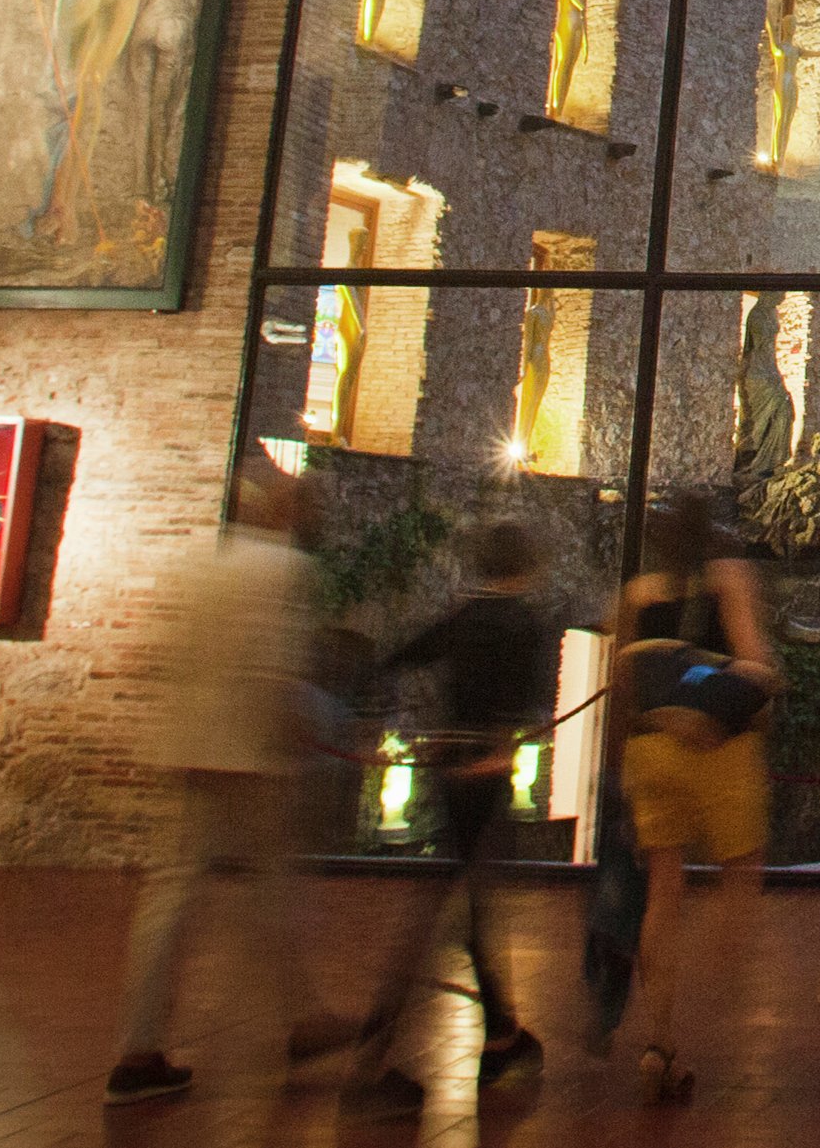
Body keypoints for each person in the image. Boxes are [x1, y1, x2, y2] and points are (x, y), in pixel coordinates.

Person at [103, 460, 356, 1105]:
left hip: (188, 744)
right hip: (249, 750)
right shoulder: (284, 571)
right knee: (272, 887)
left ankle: (140, 1047)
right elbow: (278, 667)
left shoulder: (194, 563)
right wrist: (306, 732)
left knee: (171, 894)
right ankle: (304, 1018)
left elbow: (163, 655)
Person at [339, 519, 553, 1117]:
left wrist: (384, 721)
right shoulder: (523, 623)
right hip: (484, 778)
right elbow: (524, 706)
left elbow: (398, 658)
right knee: (445, 916)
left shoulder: (466, 617)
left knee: (466, 912)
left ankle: (502, 1034)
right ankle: (375, 1058)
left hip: (453, 773)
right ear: (525, 564)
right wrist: (498, 744)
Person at [612, 492, 778, 1103]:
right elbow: (754, 662)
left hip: (649, 749)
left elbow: (621, 684)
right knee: (742, 872)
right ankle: (712, 995)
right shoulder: (728, 576)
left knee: (663, 888)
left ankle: (660, 1037)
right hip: (718, 748)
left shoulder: (636, 593)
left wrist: (619, 770)